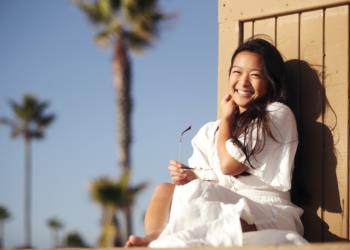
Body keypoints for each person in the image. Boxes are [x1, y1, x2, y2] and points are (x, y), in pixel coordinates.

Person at [126, 37, 305, 247]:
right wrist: (189, 174)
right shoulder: (211, 131)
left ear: (270, 81)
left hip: (265, 209)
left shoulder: (276, 114)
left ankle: (167, 241)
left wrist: (227, 120)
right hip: (223, 198)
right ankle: (153, 238)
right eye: (237, 72)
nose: (243, 82)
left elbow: (230, 166)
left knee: (199, 193)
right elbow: (213, 180)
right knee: (165, 190)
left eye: (255, 75)